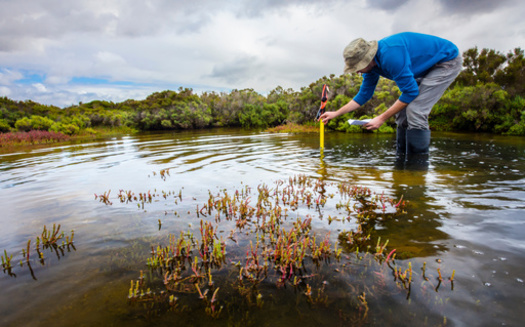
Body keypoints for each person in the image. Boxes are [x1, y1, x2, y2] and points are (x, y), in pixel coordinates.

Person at [319, 32, 462, 158]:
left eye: (358, 67)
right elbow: (364, 95)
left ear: (367, 59)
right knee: (401, 113)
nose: (357, 71)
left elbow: (411, 92)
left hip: (445, 61)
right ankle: (401, 160)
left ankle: (417, 167)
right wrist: (336, 113)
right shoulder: (371, 68)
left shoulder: (391, 56)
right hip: (423, 68)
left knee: (416, 110)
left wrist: (381, 119)